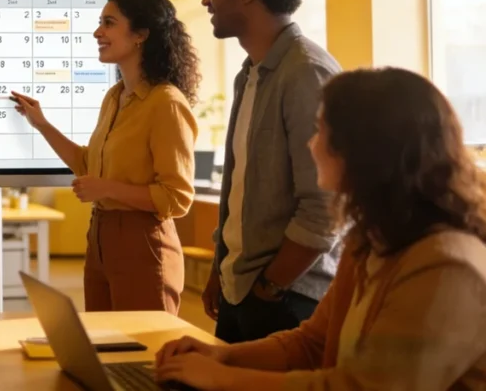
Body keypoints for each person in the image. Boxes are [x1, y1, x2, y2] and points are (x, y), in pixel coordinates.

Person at [155, 67, 486, 390]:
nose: (311, 145)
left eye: (320, 131)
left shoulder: (447, 265)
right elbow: (312, 344)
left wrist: (221, 378)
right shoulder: (370, 240)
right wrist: (221, 356)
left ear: (361, 150)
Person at [12, 0, 200, 313]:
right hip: (100, 235)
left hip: (142, 242)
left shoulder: (165, 103)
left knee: (142, 353)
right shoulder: (115, 97)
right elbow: (87, 163)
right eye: (100, 22)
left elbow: (177, 197)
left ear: (141, 34)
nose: (97, 32)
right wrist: (41, 123)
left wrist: (108, 188)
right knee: (105, 345)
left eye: (109, 23)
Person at [202, 0, 343, 343]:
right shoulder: (251, 74)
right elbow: (241, 192)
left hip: (286, 297)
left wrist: (269, 288)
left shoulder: (307, 73)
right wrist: (222, 270)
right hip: (244, 288)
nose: (206, 0)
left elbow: (326, 207)